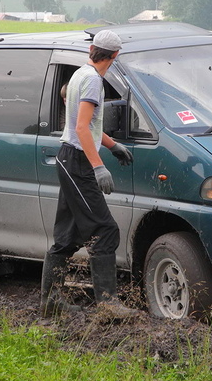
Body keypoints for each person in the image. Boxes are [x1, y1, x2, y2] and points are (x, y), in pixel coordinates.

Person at [40, 29, 138, 319]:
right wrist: (98, 166)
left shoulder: (80, 75)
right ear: (115, 55)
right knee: (105, 230)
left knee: (67, 236)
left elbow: (85, 124)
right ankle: (107, 304)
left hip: (70, 159)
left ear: (92, 49)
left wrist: (112, 144)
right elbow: (81, 128)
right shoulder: (94, 81)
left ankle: (51, 303)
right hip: (79, 163)